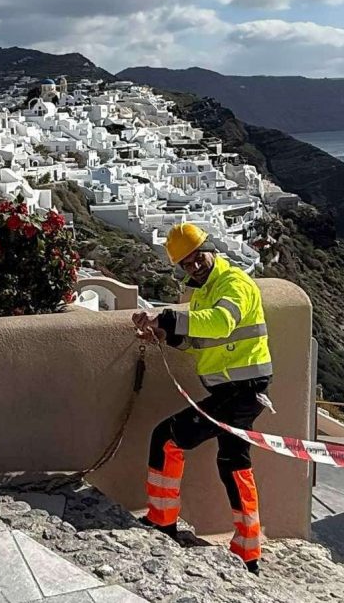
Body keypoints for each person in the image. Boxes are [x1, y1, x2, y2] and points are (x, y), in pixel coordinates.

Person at [132, 222, 273, 574]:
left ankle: (162, 522)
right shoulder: (204, 293)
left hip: (240, 391)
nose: (194, 267)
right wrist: (165, 334)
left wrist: (165, 316)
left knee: (166, 439)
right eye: (187, 264)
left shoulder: (233, 283)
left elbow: (220, 323)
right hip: (239, 390)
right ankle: (248, 550)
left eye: (198, 259)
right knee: (234, 464)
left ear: (211, 250)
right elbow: (202, 340)